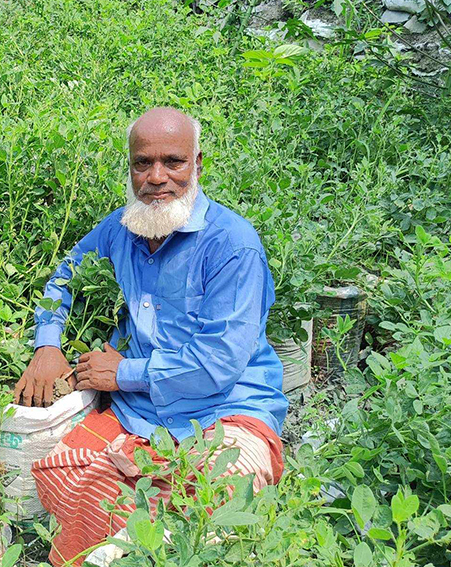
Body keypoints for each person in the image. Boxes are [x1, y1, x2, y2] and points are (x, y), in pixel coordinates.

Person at [14, 107, 289, 566]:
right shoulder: (120, 229)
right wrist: (47, 344)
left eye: (173, 162)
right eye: (143, 163)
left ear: (198, 164)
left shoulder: (232, 244)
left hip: (225, 411)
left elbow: (216, 364)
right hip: (138, 415)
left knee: (218, 500)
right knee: (62, 475)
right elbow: (64, 277)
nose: (157, 177)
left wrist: (123, 374)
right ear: (130, 168)